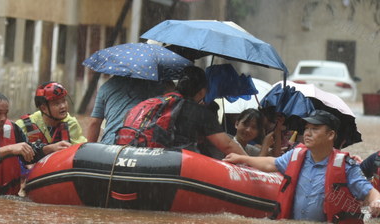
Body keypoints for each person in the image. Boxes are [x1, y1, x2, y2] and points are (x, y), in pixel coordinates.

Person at [225, 110, 380, 224]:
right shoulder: (296, 155)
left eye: (315, 129)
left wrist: (377, 202)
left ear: (330, 135)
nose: (307, 133)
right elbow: (270, 163)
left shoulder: (346, 166)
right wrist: (242, 158)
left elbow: (369, 191)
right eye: (307, 128)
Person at [116, 65, 244, 158]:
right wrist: (251, 160)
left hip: (133, 155)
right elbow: (227, 145)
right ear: (202, 91)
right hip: (171, 166)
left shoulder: (156, 101)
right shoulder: (201, 113)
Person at [85, 75, 169, 144]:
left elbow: (94, 123)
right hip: (141, 143)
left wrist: (88, 152)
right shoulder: (154, 85)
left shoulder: (106, 86)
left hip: (110, 143)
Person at [15, 82, 86, 155]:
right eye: (57, 103)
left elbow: (81, 151)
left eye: (64, 101)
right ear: (43, 108)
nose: (63, 106)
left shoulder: (71, 123)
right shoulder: (24, 125)